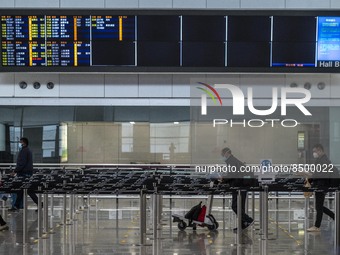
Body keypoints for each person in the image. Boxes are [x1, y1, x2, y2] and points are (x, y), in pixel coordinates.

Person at [220, 147, 254, 232]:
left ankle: (249, 220)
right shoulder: (235, 161)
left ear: (227, 153)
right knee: (240, 207)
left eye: (222, 154)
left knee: (235, 206)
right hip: (242, 186)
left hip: (238, 186)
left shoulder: (231, 161)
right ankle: (242, 225)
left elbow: (233, 174)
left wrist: (223, 178)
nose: (222, 156)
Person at [307, 144, 337, 232]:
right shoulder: (320, 160)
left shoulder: (325, 161)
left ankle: (317, 226)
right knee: (318, 206)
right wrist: (310, 180)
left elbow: (321, 175)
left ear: (320, 150)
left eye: (314, 151)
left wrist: (308, 175)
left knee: (318, 206)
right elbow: (317, 173)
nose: (314, 153)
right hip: (319, 185)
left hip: (322, 186)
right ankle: (335, 217)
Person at [9, 137, 39, 211]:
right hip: (27, 172)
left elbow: (22, 163)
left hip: (23, 173)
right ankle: (16, 206)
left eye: (20, 142)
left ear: (24, 143)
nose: (19, 144)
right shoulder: (27, 150)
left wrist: (15, 171)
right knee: (22, 190)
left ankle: (17, 206)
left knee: (25, 190)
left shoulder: (24, 151)